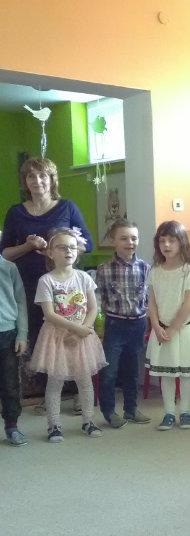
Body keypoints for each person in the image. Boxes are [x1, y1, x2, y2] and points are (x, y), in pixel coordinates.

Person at [1, 158, 93, 404]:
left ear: (52, 180)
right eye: (31, 176)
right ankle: (48, 394)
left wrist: (61, 248)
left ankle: (77, 391)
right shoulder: (15, 212)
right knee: (41, 338)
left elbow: (88, 244)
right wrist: (28, 246)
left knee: (70, 333)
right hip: (29, 285)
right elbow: (5, 253)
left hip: (65, 285)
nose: (37, 181)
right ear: (25, 181)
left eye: (43, 176)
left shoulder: (67, 207)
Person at [30, 228, 106, 441]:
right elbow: (49, 314)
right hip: (56, 338)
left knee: (85, 380)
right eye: (62, 247)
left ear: (77, 251)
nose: (68, 251)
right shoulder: (46, 280)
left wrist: (83, 330)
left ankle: (88, 421)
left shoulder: (83, 278)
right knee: (55, 381)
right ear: (50, 252)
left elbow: (93, 308)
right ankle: (54, 425)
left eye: (72, 247)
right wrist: (75, 329)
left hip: (82, 336)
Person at [144, 221, 190, 431]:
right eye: (162, 241)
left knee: (185, 373)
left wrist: (173, 328)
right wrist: (156, 326)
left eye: (172, 240)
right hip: (161, 330)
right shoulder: (155, 271)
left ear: (181, 243)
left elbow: (188, 303)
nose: (167, 245)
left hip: (183, 330)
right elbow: (151, 301)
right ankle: (169, 413)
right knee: (167, 373)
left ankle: (185, 412)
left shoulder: (188, 271)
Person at [95, 219, 151, 428]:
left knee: (132, 371)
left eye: (134, 238)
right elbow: (98, 300)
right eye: (124, 238)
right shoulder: (104, 269)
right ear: (113, 241)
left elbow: (149, 298)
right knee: (109, 371)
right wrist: (98, 328)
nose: (130, 242)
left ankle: (131, 409)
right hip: (114, 325)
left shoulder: (145, 268)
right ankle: (109, 412)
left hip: (138, 324)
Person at [0, 253, 28, 446]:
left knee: (9, 384)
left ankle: (12, 426)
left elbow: (20, 301)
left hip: (7, 334)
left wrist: (22, 334)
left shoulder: (9, 268)